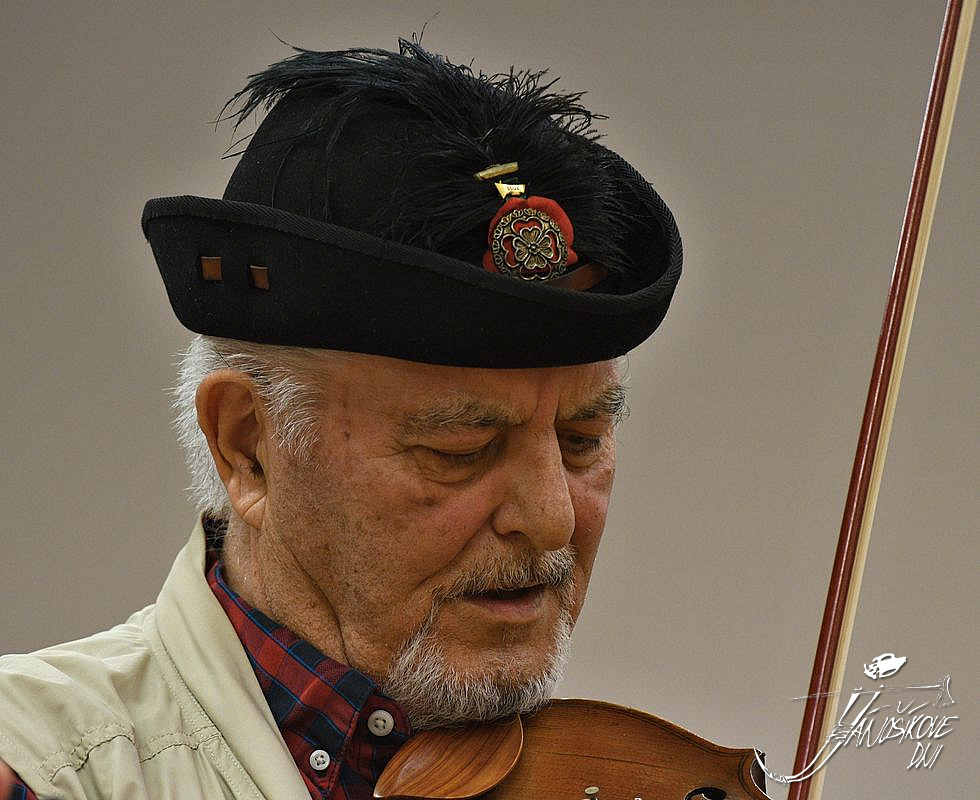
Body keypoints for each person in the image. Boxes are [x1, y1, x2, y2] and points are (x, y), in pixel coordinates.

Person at [0, 40, 680, 799]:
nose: (553, 518)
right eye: (459, 448)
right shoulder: (34, 771)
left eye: (583, 440)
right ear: (249, 447)